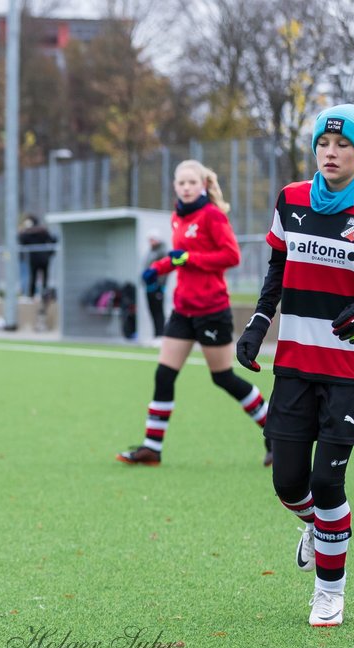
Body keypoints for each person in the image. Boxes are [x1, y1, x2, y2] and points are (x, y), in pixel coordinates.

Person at [235, 104, 354, 627]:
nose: (330, 154)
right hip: (294, 363)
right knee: (289, 484)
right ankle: (321, 529)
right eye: (323, 145)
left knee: (328, 484)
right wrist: (259, 324)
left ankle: (329, 590)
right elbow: (278, 267)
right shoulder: (290, 201)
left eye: (342, 146)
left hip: (352, 371)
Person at [116, 159, 271, 467]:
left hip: (212, 310)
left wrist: (190, 258)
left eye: (191, 182)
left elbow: (231, 256)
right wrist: (157, 269)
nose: (186, 187)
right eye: (181, 183)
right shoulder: (177, 217)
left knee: (224, 378)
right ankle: (151, 447)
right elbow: (178, 258)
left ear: (204, 186)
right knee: (164, 374)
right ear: (174, 186)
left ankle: (276, 436)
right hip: (182, 310)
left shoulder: (212, 216)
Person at [18, 215, 57, 300]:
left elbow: (52, 241)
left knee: (41, 278)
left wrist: (49, 253)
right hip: (39, 259)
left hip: (40, 259)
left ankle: (41, 295)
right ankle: (35, 295)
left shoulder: (40, 232)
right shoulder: (40, 231)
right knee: (36, 278)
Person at [141, 234, 171, 341]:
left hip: (158, 286)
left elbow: (164, 269)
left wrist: (160, 285)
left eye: (152, 239)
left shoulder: (162, 251)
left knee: (159, 311)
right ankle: (155, 335)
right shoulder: (150, 251)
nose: (151, 242)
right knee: (152, 310)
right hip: (149, 287)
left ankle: (160, 335)